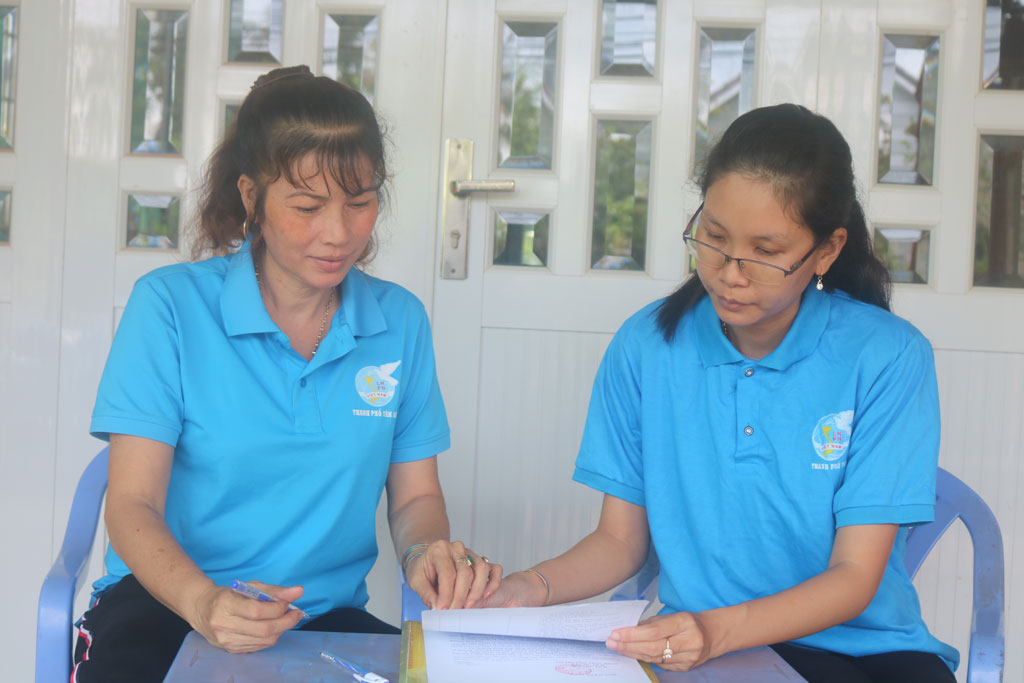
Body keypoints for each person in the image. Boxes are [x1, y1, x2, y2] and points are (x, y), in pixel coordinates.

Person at [481, 104, 958, 683]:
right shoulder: (646, 347)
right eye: (713, 237)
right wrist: (528, 588)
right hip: (704, 653)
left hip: (865, 654)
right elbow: (620, 541)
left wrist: (715, 631)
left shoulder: (887, 356)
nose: (731, 273)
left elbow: (855, 576)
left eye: (766, 252)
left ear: (826, 251)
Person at [73, 65, 500, 683]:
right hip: (166, 606)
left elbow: (416, 497)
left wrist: (422, 552)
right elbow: (132, 502)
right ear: (252, 198)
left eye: (360, 203)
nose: (339, 233)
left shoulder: (399, 322)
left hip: (322, 618)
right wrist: (205, 603)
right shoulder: (169, 307)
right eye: (307, 206)